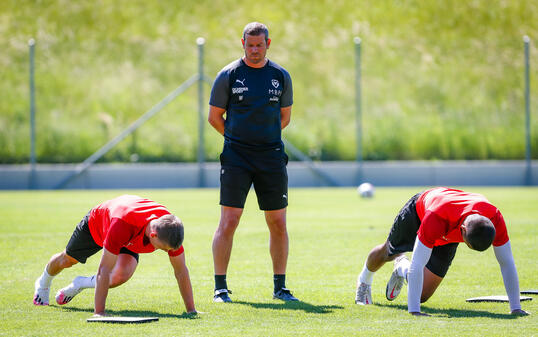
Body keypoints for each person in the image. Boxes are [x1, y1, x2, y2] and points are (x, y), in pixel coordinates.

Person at [207, 22, 297, 303]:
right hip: (236, 158)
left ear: (268, 43)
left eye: (260, 45)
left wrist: (263, 141)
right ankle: (220, 287)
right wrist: (237, 139)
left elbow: (284, 117)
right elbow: (214, 117)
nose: (255, 50)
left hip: (270, 157)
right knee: (229, 221)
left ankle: (280, 287)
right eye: (250, 45)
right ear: (242, 43)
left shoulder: (280, 76)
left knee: (278, 222)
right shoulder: (228, 75)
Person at [355, 187, 529, 316]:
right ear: (462, 232)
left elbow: (506, 263)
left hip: (451, 227)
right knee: (388, 252)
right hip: (420, 213)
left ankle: (401, 268)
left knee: (422, 294)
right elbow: (417, 263)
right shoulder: (436, 218)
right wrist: (414, 311)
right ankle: (364, 281)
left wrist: (515, 308)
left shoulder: (495, 219)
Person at [33, 194, 197, 315]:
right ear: (153, 235)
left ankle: (80, 283)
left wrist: (191, 310)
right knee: (67, 261)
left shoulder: (169, 230)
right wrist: (99, 312)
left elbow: (181, 271)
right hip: (98, 225)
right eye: (163, 249)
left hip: (132, 234)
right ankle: (42, 284)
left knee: (121, 275)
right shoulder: (123, 225)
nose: (168, 252)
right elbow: (103, 269)